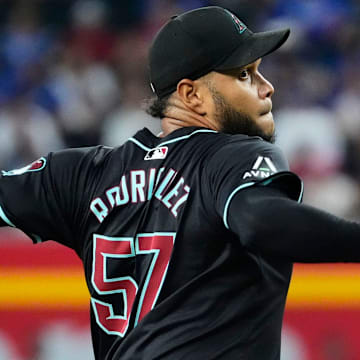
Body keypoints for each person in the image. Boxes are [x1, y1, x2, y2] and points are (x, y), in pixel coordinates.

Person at [0, 6, 359, 360]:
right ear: (191, 95)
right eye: (245, 75)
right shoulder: (231, 156)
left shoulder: (82, 175)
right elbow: (260, 219)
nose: (267, 87)